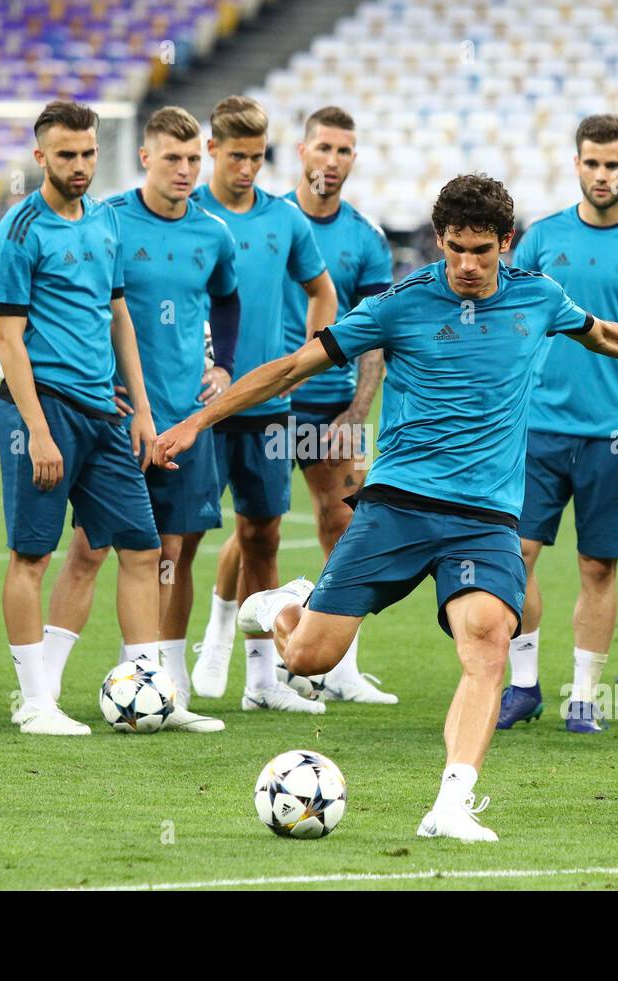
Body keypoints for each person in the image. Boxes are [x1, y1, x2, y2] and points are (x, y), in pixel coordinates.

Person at [153, 174, 618, 840]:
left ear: (506, 242)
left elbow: (609, 335)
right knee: (308, 659)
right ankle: (280, 605)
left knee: (487, 642)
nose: (467, 266)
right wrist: (199, 421)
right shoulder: (399, 304)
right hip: (398, 505)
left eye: (481, 250)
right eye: (455, 249)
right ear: (438, 241)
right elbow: (296, 366)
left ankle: (452, 803)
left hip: (484, 517)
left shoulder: (538, 296)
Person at [38, 105, 236, 733]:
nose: (184, 171)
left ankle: (157, 692)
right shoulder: (109, 221)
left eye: (192, 160)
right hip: (116, 420)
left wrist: (224, 365)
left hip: (185, 419)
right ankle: (38, 692)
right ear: (145, 157)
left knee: (168, 552)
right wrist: (105, 385)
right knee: (91, 549)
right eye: (171, 159)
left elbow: (228, 299)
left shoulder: (213, 233)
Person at [497, 115, 618, 733]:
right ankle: (522, 686)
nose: (602, 174)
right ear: (575, 164)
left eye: (613, 165)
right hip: (535, 431)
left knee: (597, 566)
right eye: (591, 163)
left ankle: (583, 695)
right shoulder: (539, 241)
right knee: (514, 556)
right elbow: (507, 334)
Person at [202, 106, 397, 704]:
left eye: (344, 151)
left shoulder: (367, 237)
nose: (332, 162)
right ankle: (217, 639)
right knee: (254, 528)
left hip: (333, 404)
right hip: (266, 400)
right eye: (323, 149)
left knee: (347, 526)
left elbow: (376, 333)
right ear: (302, 152)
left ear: (353, 160)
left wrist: (358, 411)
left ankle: (339, 669)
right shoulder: (271, 218)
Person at [0, 101, 163, 736]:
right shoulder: (19, 230)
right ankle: (35, 702)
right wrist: (35, 428)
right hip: (44, 410)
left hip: (103, 413)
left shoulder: (106, 223)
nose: (81, 164)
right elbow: (7, 339)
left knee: (141, 548)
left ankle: (151, 692)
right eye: (67, 154)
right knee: (32, 555)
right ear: (41, 158)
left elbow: (120, 318)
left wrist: (140, 410)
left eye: (88, 152)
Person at [185, 96, 338, 714]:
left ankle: (261, 685)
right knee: (180, 540)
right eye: (236, 156)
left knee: (262, 536)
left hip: (269, 408)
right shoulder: (187, 215)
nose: (247, 168)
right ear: (211, 151)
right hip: (196, 406)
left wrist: (307, 358)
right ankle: (166, 667)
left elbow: (321, 293)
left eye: (256, 157)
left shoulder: (285, 221)